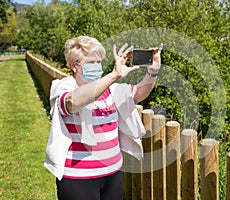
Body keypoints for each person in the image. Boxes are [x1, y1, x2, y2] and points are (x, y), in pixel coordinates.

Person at [44, 35, 163, 200]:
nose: (97, 66)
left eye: (99, 62)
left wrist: (153, 71)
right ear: (74, 66)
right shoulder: (66, 87)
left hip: (112, 174)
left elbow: (139, 93)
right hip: (78, 178)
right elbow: (72, 102)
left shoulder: (111, 90)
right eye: (91, 62)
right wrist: (114, 75)